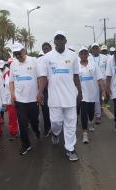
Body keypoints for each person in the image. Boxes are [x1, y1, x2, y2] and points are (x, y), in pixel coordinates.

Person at [37, 31, 82, 161]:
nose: (60, 41)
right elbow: (43, 77)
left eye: (62, 39)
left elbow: (75, 76)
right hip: (55, 97)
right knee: (56, 122)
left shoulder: (73, 56)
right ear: (54, 41)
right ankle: (55, 133)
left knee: (71, 124)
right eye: (57, 39)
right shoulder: (47, 57)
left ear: (65, 41)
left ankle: (70, 148)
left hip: (70, 97)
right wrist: (40, 92)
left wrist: (79, 91)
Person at [9, 42, 40, 155]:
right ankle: (26, 145)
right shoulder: (13, 65)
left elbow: (40, 78)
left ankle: (36, 130)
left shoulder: (34, 61)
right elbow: (11, 81)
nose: (17, 55)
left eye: (19, 53)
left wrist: (40, 93)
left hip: (33, 99)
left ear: (24, 51)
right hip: (20, 100)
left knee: (34, 121)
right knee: (22, 123)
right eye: (15, 54)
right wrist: (12, 94)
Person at [78, 47, 105, 143]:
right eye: (82, 53)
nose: (84, 55)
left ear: (88, 54)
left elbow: (99, 78)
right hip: (82, 94)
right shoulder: (76, 66)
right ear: (79, 55)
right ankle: (85, 133)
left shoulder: (93, 65)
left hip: (93, 93)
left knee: (91, 112)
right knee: (83, 112)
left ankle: (90, 122)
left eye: (85, 53)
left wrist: (103, 90)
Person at [0, 59, 19, 140]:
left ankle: (14, 130)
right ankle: (13, 130)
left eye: (2, 67)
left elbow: (11, 87)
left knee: (14, 116)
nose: (0, 68)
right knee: (10, 116)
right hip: (5, 99)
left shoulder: (10, 73)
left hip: (12, 98)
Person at [89, 43, 108, 125]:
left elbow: (108, 68)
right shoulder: (89, 58)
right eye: (94, 48)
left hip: (103, 79)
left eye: (97, 48)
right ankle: (97, 114)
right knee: (95, 98)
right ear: (92, 50)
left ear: (99, 49)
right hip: (93, 81)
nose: (95, 49)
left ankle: (102, 108)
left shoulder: (105, 57)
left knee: (103, 96)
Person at [38, 42, 52, 137]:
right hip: (45, 90)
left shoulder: (56, 58)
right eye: (44, 49)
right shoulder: (40, 60)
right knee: (45, 110)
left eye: (47, 48)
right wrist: (40, 91)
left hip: (56, 89)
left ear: (51, 48)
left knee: (56, 110)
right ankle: (47, 128)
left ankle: (56, 127)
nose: (46, 50)